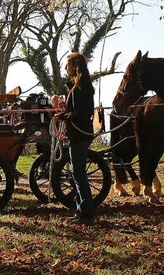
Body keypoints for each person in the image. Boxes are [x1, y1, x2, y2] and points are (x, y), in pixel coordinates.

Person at [56, 53, 96, 226]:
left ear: (74, 66)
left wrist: (65, 115)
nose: (66, 69)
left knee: (79, 175)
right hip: (78, 135)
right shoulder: (80, 87)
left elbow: (83, 113)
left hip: (79, 135)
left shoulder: (81, 88)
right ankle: (82, 211)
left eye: (68, 65)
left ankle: (87, 214)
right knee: (77, 175)